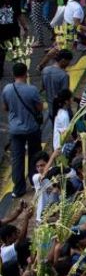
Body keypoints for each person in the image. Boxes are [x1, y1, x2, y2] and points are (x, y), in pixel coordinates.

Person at [2, 61, 42, 198]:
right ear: (26, 73)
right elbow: (39, 108)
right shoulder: (32, 90)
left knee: (17, 159)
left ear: (13, 74)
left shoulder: (7, 89)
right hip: (32, 128)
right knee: (35, 155)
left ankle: (18, 189)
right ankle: (34, 181)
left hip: (15, 130)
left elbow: (5, 108)